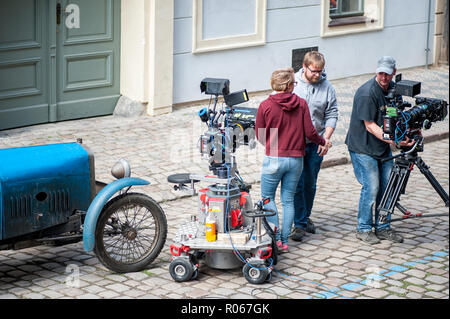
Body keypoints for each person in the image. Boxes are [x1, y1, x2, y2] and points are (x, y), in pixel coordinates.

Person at [255, 67, 331, 252]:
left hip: (274, 157)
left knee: (267, 198)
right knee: (288, 200)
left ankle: (274, 238)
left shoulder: (265, 105)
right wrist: (324, 142)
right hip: (296, 159)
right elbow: (310, 132)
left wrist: (274, 144)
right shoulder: (301, 103)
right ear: (289, 85)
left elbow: (260, 134)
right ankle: (283, 241)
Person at [345, 56, 415, 244]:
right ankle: (364, 228)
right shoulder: (367, 93)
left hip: (382, 147)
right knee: (372, 187)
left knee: (388, 186)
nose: (384, 77)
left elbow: (394, 116)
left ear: (394, 72)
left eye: (387, 73)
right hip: (363, 147)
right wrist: (393, 140)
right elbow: (370, 126)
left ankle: (383, 227)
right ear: (377, 71)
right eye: (381, 73)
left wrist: (406, 133)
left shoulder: (393, 90)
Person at [291, 51, 339, 241]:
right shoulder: (292, 83)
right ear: (304, 67)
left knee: (310, 183)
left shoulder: (327, 87)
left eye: (320, 71)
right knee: (297, 183)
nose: (317, 75)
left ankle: (304, 217)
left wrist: (325, 139)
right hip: (295, 143)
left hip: (316, 143)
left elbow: (332, 114)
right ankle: (299, 224)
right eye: (314, 71)